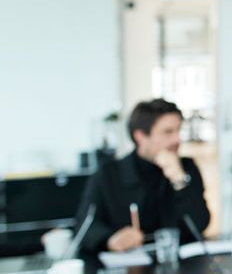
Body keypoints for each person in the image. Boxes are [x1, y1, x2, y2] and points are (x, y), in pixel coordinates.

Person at [76, 99, 211, 254]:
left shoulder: (186, 167)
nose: (177, 139)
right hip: (131, 264)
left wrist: (179, 180)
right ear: (140, 136)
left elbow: (201, 224)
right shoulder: (108, 174)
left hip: (180, 262)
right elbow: (84, 225)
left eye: (178, 130)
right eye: (168, 132)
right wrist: (110, 239)